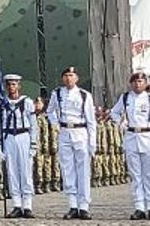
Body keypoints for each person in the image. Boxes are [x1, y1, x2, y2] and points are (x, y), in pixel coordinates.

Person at [110, 71, 150, 220]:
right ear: (130, 83)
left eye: (140, 81)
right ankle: (139, 206)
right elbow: (114, 113)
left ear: (145, 83)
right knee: (135, 175)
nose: (137, 84)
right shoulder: (126, 97)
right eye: (135, 81)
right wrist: (121, 122)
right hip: (132, 137)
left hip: (148, 137)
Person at [48, 66, 97, 220]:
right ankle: (72, 205)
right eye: (66, 75)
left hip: (80, 132)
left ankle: (84, 206)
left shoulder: (84, 95)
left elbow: (91, 121)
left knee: (83, 171)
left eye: (71, 75)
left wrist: (92, 142)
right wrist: (55, 123)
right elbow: (50, 111)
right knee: (67, 169)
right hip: (64, 132)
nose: (69, 78)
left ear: (76, 78)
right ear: (63, 78)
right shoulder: (57, 93)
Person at [0, 74, 37, 218]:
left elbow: (33, 124)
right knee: (12, 172)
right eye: (8, 85)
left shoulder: (26, 102)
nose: (11, 87)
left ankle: (27, 205)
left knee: (25, 171)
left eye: (14, 84)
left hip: (23, 137)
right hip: (9, 137)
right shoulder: (3, 104)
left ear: (19, 86)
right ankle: (16, 204)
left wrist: (33, 143)